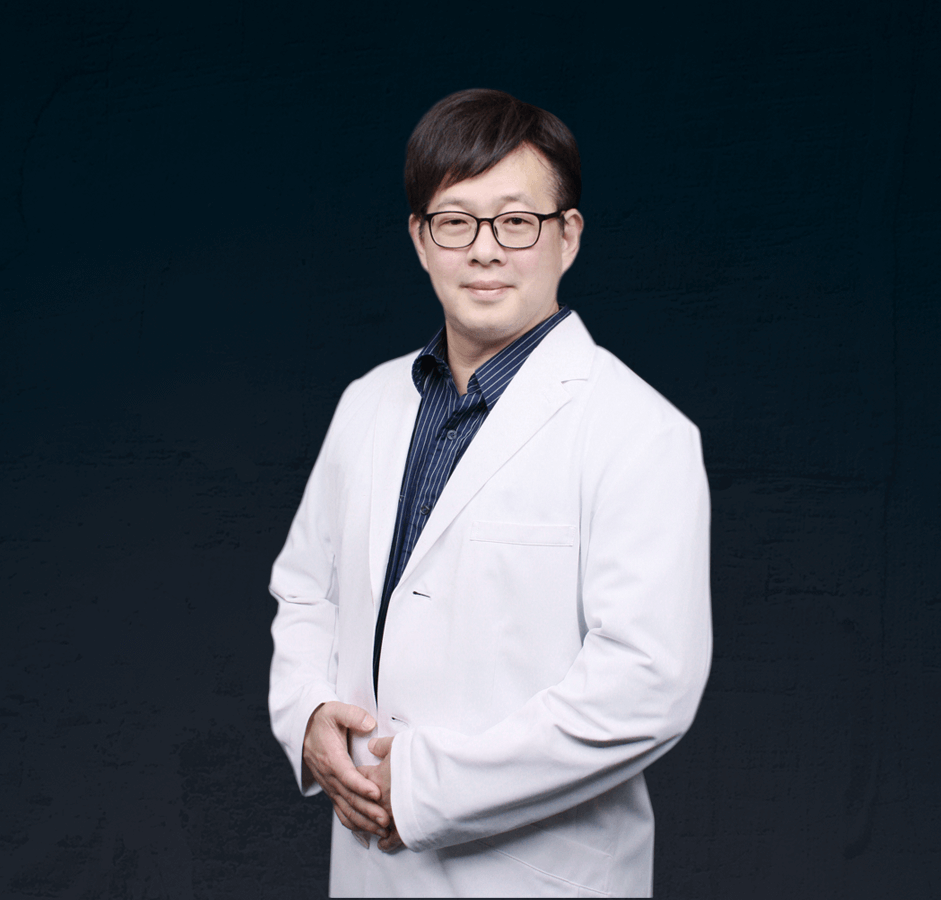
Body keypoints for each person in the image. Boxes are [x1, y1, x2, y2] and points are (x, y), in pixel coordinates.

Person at [268, 88, 712, 897]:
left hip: (538, 877)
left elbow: (647, 686)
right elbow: (306, 592)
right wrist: (306, 715)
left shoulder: (639, 431)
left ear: (568, 236)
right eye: (455, 222)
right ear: (420, 239)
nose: (484, 251)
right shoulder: (366, 404)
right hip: (368, 870)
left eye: (516, 222)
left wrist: (429, 788)